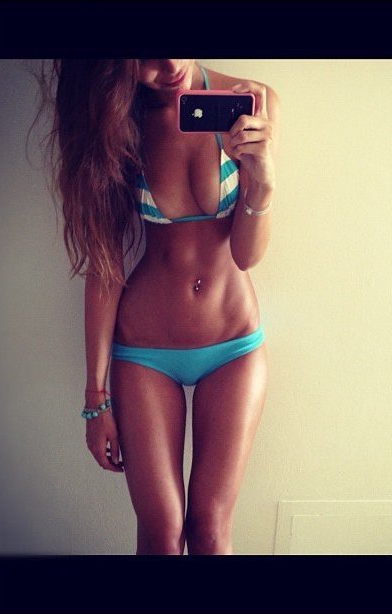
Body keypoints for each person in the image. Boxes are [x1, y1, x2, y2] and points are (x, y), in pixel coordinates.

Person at [35, 59, 279, 554]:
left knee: (210, 529)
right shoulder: (118, 123)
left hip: (233, 346)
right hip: (145, 353)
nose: (169, 64)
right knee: (163, 535)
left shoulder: (252, 101)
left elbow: (246, 255)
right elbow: (105, 267)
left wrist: (263, 182)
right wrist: (95, 397)